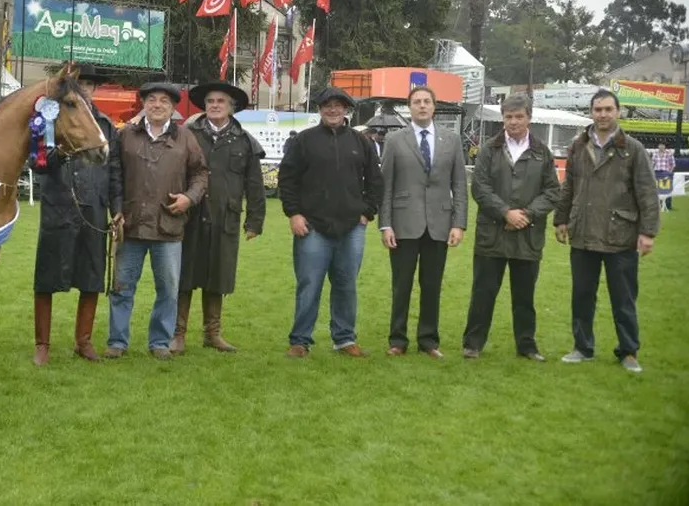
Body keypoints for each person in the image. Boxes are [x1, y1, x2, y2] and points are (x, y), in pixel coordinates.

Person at [553, 89, 660, 374]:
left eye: (608, 109)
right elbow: (569, 187)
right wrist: (561, 219)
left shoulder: (633, 149)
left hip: (620, 236)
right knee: (582, 296)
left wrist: (648, 232)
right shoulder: (578, 146)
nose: (602, 115)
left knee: (623, 299)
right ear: (591, 112)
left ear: (618, 112)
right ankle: (582, 348)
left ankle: (628, 351)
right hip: (584, 233)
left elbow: (647, 193)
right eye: (597, 110)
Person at [105, 82, 208, 360]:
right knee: (122, 287)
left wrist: (189, 198)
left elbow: (201, 174)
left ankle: (160, 343)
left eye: (164, 101)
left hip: (169, 227)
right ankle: (117, 342)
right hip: (131, 225)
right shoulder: (125, 135)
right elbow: (114, 175)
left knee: (168, 290)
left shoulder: (186, 138)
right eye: (152, 100)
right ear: (143, 104)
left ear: (173, 108)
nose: (158, 105)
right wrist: (116, 208)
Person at [278, 87, 384, 358]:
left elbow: (375, 181)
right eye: (327, 105)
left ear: (347, 109)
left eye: (338, 105)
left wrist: (367, 212)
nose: (333, 110)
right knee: (309, 284)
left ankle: (344, 338)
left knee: (346, 284)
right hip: (312, 226)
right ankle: (300, 340)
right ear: (320, 109)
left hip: (351, 227)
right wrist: (294, 214)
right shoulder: (303, 141)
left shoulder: (362, 142)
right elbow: (287, 180)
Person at [32, 65, 123, 365]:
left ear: (96, 89)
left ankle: (83, 341)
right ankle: (42, 344)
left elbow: (114, 173)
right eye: (79, 84)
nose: (85, 88)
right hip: (58, 207)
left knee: (92, 277)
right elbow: (37, 165)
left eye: (89, 84)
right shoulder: (49, 119)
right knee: (46, 277)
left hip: (94, 208)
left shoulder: (106, 125)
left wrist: (117, 208)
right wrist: (59, 151)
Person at [461, 94, 561, 361]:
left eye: (519, 116)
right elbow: (479, 188)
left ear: (529, 117)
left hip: (528, 236)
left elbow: (552, 191)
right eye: (508, 117)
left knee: (524, 297)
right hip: (491, 235)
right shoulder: (488, 150)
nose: (513, 122)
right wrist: (505, 212)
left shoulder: (542, 152)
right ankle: (473, 344)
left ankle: (526, 346)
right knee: (483, 293)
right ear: (502, 118)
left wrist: (527, 214)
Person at [173, 81, 266, 354]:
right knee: (185, 275)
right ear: (204, 105)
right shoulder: (187, 134)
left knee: (218, 275)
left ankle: (212, 333)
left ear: (231, 107)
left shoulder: (244, 140)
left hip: (226, 218)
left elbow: (255, 184)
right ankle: (178, 334)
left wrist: (255, 221)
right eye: (211, 101)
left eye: (221, 101)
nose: (215, 105)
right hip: (189, 217)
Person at [379, 85, 468, 359]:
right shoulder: (395, 140)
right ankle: (398, 339)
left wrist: (458, 223)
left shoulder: (451, 140)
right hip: (404, 223)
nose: (421, 106)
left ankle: (429, 340)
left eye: (426, 101)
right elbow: (386, 185)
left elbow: (459, 185)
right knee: (401, 284)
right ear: (410, 107)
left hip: (439, 224)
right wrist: (386, 224)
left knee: (432, 285)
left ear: (434, 106)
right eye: (416, 102)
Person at [651, 141, 676, 211]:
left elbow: (673, 164)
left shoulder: (669, 153)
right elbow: (652, 163)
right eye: (660, 145)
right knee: (657, 190)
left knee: (667, 189)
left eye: (662, 145)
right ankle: (658, 205)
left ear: (665, 146)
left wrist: (669, 173)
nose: (661, 146)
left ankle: (668, 206)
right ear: (658, 146)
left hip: (666, 173)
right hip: (657, 173)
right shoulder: (655, 153)